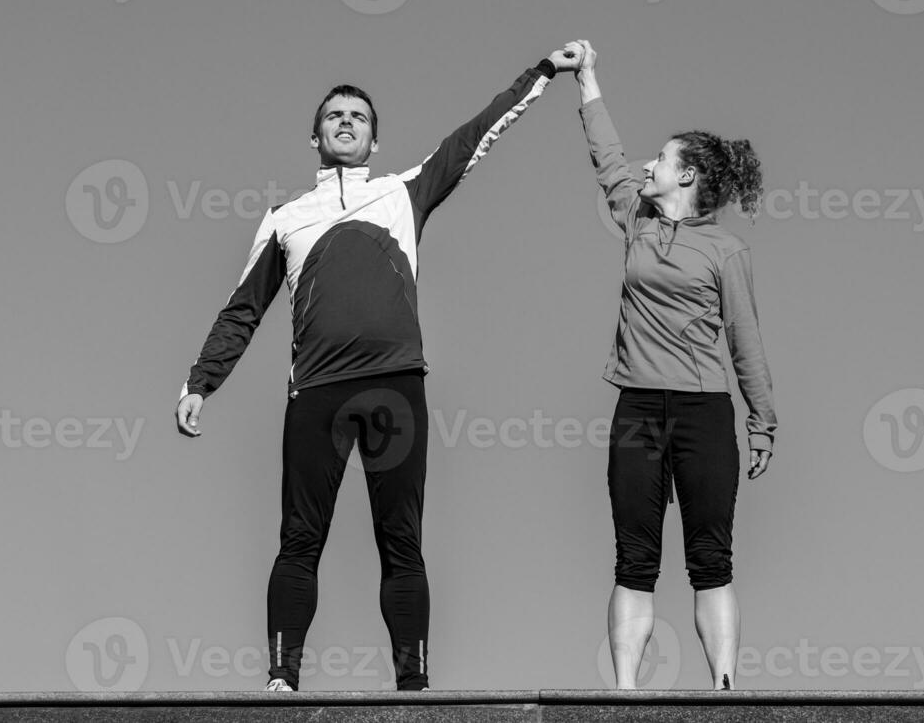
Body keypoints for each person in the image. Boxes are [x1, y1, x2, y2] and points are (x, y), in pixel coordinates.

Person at [175, 45, 585, 692]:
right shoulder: (285, 219)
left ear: (373, 139)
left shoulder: (403, 193)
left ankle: (412, 686)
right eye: (333, 116)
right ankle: (282, 679)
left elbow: (475, 135)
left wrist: (540, 72)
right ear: (314, 136)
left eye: (357, 117)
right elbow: (242, 310)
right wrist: (201, 382)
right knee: (299, 539)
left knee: (401, 542)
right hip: (316, 395)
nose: (345, 123)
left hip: (395, 389)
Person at [571, 40, 776, 691]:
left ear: (685, 176)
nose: (646, 164)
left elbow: (745, 339)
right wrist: (587, 78)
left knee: (710, 558)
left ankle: (722, 684)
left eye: (659, 159)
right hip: (636, 410)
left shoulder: (722, 250)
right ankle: (625, 692)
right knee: (633, 559)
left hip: (703, 414)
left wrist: (762, 421)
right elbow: (605, 156)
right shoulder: (635, 221)